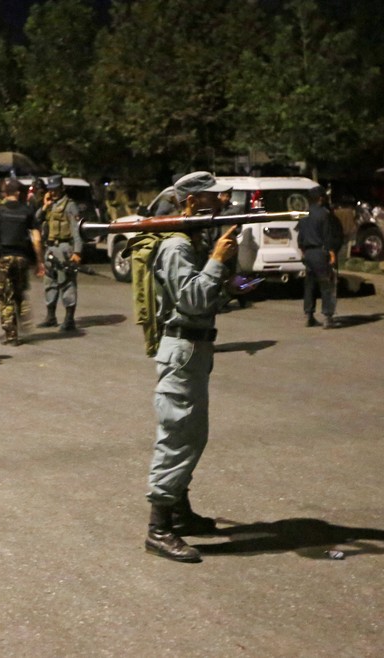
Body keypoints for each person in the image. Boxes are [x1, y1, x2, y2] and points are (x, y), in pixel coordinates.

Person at [143, 170, 239, 564]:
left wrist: (223, 261)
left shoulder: (192, 244)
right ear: (189, 203)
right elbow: (194, 299)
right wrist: (217, 258)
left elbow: (213, 296)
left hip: (195, 348)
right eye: (211, 198)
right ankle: (159, 527)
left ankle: (179, 510)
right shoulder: (177, 247)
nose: (219, 203)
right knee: (178, 434)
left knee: (193, 434)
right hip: (182, 348)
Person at [0, 177, 45, 345]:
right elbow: (37, 240)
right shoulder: (28, 211)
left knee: (5, 296)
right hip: (22, 259)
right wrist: (40, 262)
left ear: (4, 193)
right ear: (18, 193)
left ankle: (11, 333)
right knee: (19, 291)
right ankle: (23, 312)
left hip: (4, 258)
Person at [36, 175, 82, 331]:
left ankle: (69, 319)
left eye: (55, 189)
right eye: (50, 190)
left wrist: (77, 251)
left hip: (64, 248)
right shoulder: (50, 205)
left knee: (66, 283)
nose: (53, 193)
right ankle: (51, 316)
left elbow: (76, 230)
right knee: (50, 282)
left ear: (61, 188)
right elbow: (36, 219)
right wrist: (45, 205)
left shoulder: (70, 206)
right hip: (50, 248)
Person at [298, 185, 341, 329]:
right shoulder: (324, 214)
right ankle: (328, 317)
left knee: (309, 285)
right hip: (320, 253)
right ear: (321, 198)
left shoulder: (303, 214)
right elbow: (328, 236)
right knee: (326, 285)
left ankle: (309, 315)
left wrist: (303, 252)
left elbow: (300, 238)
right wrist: (332, 253)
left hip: (308, 253)